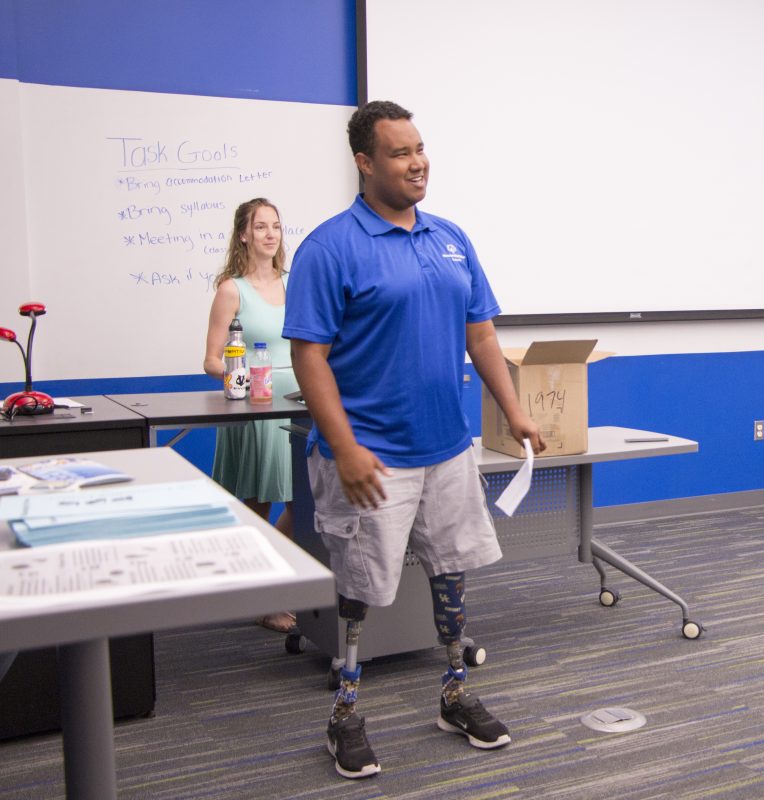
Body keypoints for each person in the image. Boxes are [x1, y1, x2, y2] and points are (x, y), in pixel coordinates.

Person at [283, 100, 545, 780]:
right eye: (399, 152)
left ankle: (455, 691)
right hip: (371, 454)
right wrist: (341, 447)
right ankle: (343, 714)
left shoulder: (450, 238)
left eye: (420, 147)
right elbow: (308, 356)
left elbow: (480, 331)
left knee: (450, 569)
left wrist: (511, 410)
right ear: (365, 163)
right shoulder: (330, 247)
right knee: (360, 587)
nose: (417, 161)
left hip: (447, 448)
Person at [203, 197, 298, 633]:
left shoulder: (296, 283)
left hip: (298, 400)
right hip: (255, 405)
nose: (270, 234)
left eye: (275, 226)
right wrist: (242, 379)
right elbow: (211, 360)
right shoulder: (231, 289)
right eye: (260, 227)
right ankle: (266, 599)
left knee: (305, 501)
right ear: (244, 234)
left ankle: (276, 582)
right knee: (258, 502)